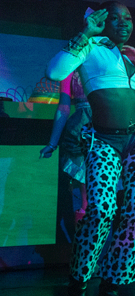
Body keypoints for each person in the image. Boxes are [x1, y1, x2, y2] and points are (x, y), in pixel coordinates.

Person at [46, 2, 135, 296]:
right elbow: (54, 71)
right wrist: (86, 33)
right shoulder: (90, 48)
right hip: (103, 139)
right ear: (101, 21)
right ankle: (77, 286)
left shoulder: (128, 63)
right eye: (115, 18)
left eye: (128, 19)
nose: (123, 23)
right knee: (101, 210)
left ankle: (111, 287)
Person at [39, 71, 91, 221]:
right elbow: (64, 107)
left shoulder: (109, 60)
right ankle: (82, 241)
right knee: (85, 196)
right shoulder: (70, 69)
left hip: (108, 127)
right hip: (83, 128)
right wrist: (52, 143)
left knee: (104, 193)